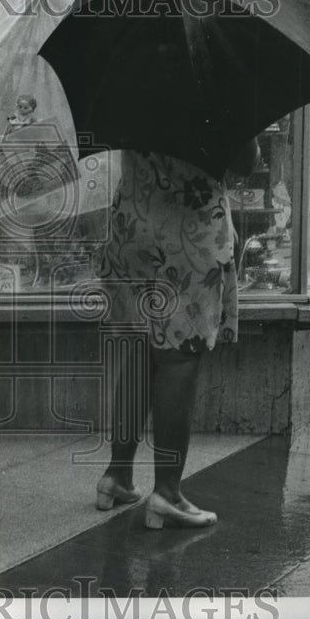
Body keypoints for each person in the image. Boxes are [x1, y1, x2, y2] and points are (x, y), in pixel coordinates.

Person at [95, 139, 260, 528]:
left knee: (140, 349)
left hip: (132, 225)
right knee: (179, 356)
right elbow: (244, 163)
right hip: (188, 231)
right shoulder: (219, 86)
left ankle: (117, 475)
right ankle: (167, 493)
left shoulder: (134, 77)